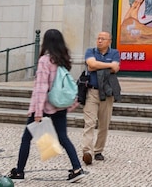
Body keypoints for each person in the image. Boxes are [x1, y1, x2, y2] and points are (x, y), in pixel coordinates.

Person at [8, 29, 90, 183]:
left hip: (44, 106)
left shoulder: (45, 60)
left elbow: (41, 88)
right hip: (59, 105)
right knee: (63, 138)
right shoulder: (63, 59)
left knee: (26, 139)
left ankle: (19, 172)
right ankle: (77, 168)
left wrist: (37, 112)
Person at [81, 31, 121, 166]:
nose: (99, 41)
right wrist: (109, 65)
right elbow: (91, 64)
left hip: (107, 93)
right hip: (92, 92)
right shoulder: (90, 51)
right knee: (89, 122)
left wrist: (99, 66)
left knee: (104, 124)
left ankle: (98, 151)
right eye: (98, 38)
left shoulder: (114, 53)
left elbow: (116, 69)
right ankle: (87, 151)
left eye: (102, 39)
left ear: (109, 41)